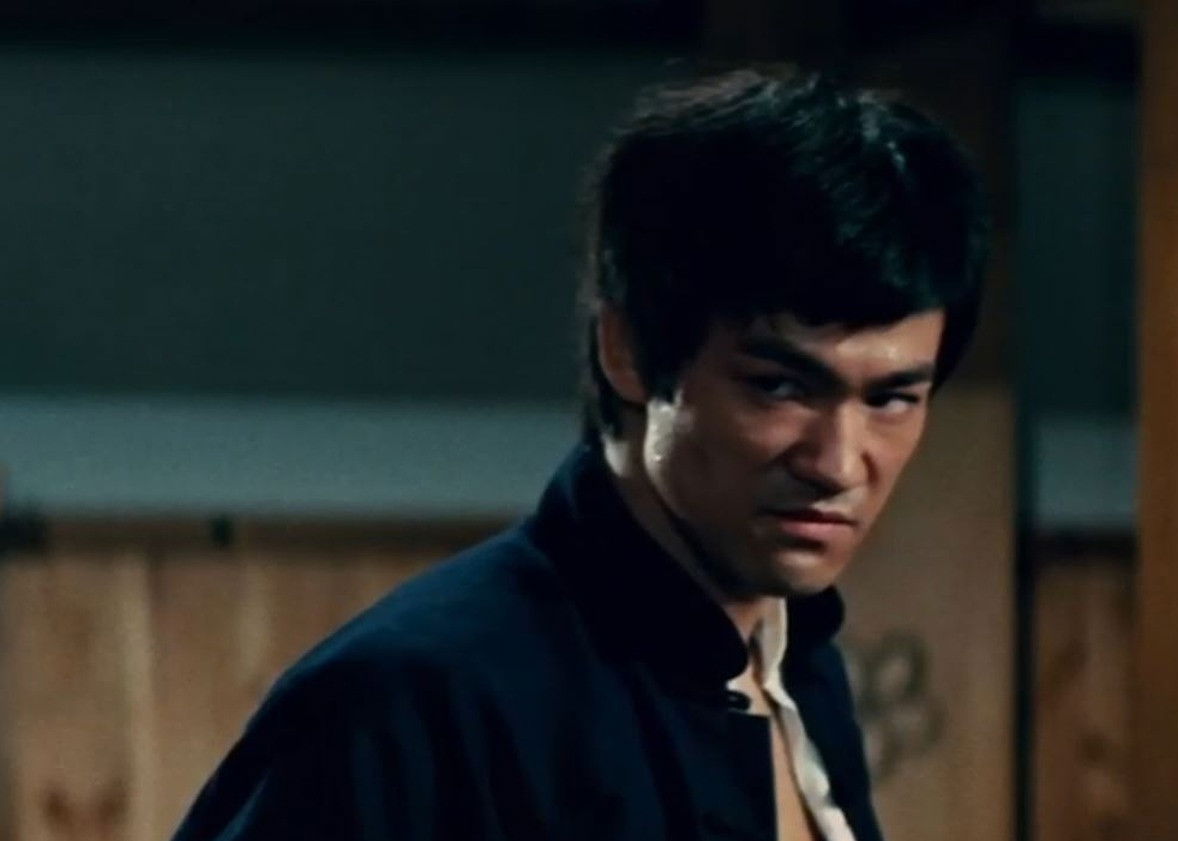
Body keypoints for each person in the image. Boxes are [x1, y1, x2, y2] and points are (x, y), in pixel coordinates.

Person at [171, 66, 988, 841]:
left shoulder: (802, 670)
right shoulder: (412, 703)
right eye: (779, 387)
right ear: (627, 350)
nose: (839, 463)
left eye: (891, 399)